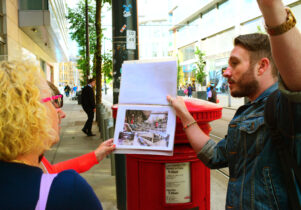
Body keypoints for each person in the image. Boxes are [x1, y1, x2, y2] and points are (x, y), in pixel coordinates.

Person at [167, 1, 301, 209]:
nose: (226, 72)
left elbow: (298, 82)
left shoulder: (286, 108)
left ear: (262, 66)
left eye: (235, 63)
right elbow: (216, 156)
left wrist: (271, 8)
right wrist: (184, 114)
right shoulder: (247, 112)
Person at [0, 60, 103, 209]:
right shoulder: (68, 192)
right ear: (29, 113)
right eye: (52, 101)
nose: (61, 112)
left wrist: (95, 155)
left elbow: (51, 170)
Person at [41, 81, 115, 174]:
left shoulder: (35, 160)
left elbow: (51, 171)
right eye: (54, 106)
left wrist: (96, 155)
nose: (63, 114)